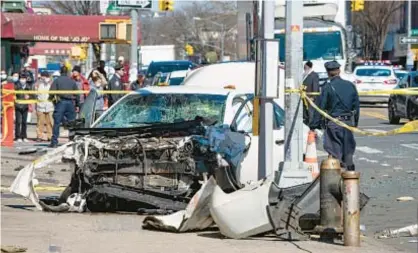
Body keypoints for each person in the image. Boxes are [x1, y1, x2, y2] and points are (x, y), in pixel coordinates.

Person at [310, 61, 360, 171]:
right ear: (339, 71)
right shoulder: (350, 85)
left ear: (328, 73)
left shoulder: (327, 87)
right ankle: (350, 177)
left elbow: (320, 107)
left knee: (334, 154)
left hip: (333, 123)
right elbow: (356, 106)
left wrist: (314, 125)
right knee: (348, 152)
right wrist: (355, 123)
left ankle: (336, 180)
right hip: (347, 123)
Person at [49, 73, 80, 148]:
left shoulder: (57, 81)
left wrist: (53, 101)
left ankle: (54, 142)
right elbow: (77, 94)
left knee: (56, 123)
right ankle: (72, 142)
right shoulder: (72, 81)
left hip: (60, 103)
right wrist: (77, 105)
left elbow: (51, 92)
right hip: (70, 103)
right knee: (71, 123)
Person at [34, 71, 54, 142]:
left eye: (46, 77)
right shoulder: (38, 84)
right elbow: (35, 94)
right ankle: (39, 136)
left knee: (50, 122)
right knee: (40, 122)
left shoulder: (52, 84)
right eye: (43, 76)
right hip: (40, 106)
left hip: (50, 106)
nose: (44, 78)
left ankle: (50, 136)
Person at [14, 73, 33, 142]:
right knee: (18, 122)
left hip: (25, 106)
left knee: (24, 122)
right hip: (18, 106)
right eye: (21, 78)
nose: (23, 80)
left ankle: (24, 136)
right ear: (19, 79)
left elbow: (33, 95)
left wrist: (29, 97)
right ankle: (18, 136)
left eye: (24, 79)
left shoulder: (28, 86)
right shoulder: (16, 86)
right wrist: (15, 99)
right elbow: (13, 94)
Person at [302, 61, 320, 125]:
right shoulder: (304, 74)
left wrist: (313, 97)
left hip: (310, 97)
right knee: (305, 113)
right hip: (304, 97)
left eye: (305, 66)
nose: (304, 67)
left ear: (308, 66)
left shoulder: (314, 75)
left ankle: (311, 125)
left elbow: (315, 86)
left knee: (311, 112)